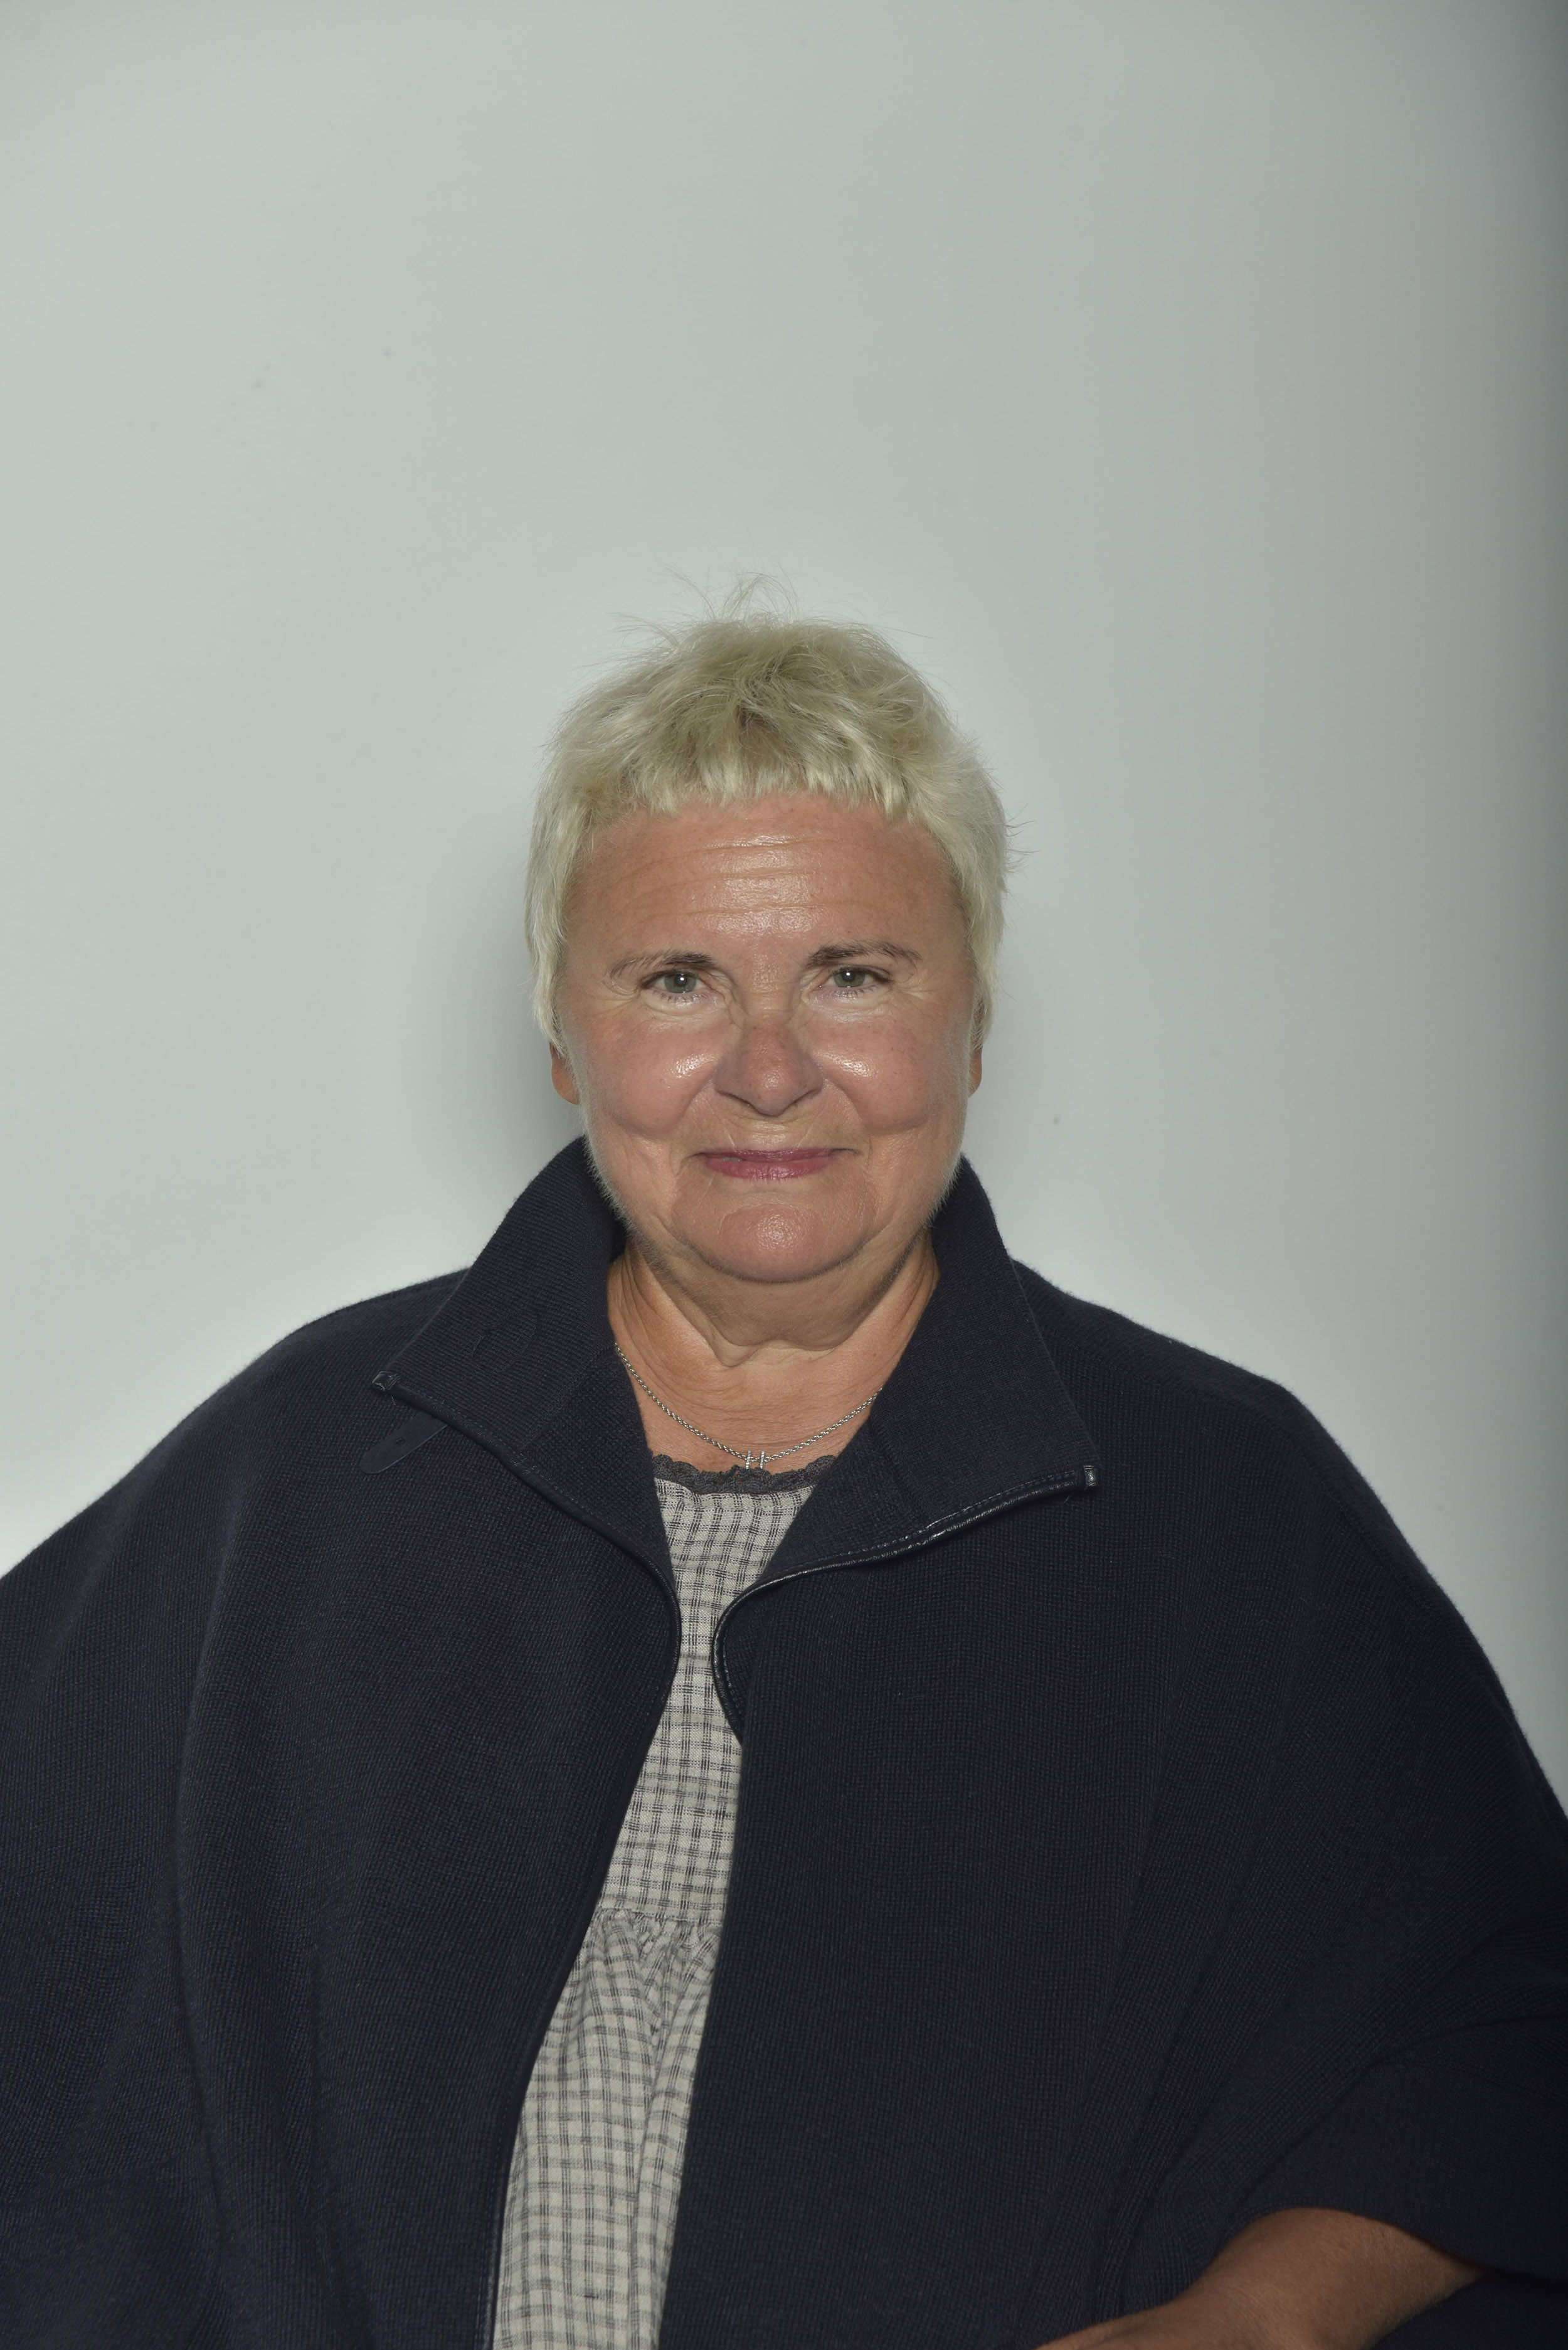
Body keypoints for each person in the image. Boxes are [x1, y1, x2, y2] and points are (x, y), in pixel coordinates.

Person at [1, 607, 1564, 2350]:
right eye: (676, 979)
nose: (766, 1069)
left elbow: (1502, 2018)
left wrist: (1268, 2318)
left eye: (854, 975)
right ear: (562, 1038)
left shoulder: (1219, 1508)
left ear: (972, 1022)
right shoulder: (314, 1463)